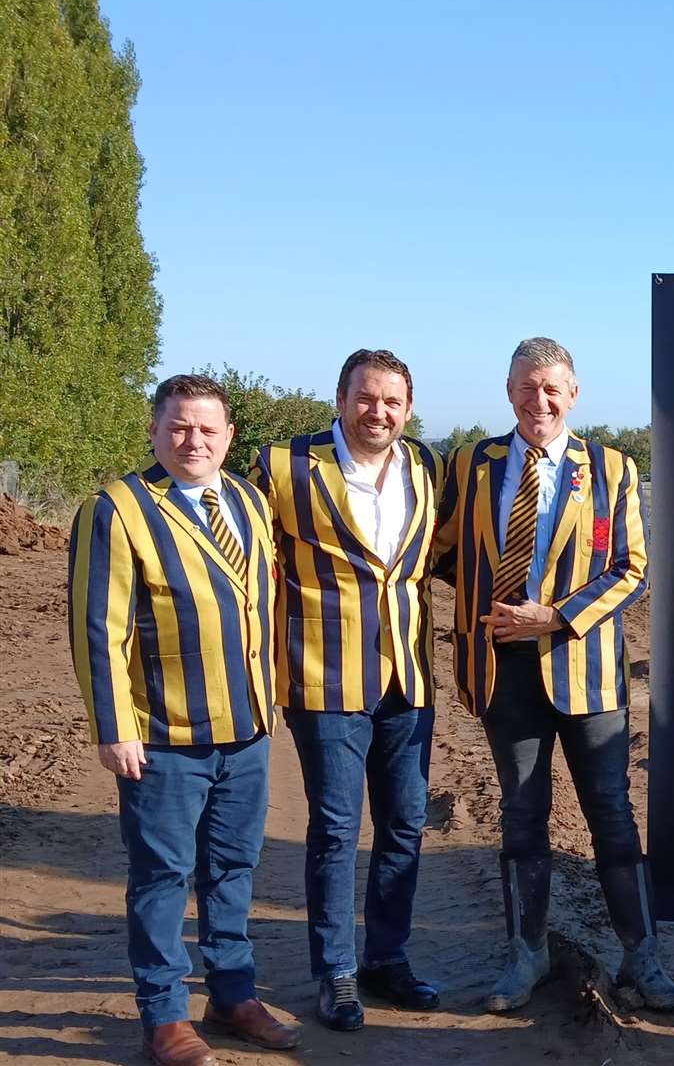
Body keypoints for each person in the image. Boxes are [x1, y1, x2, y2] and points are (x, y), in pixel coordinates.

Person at [432, 337, 674, 1013]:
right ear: (507, 390)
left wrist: (552, 616)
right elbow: (440, 551)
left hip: (587, 671)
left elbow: (631, 568)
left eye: (550, 387)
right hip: (501, 672)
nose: (537, 399)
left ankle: (643, 958)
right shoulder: (470, 464)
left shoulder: (610, 466)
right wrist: (492, 607)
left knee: (611, 816)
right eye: (524, 386)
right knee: (521, 817)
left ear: (573, 393)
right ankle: (527, 955)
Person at [69, 374, 301, 1066]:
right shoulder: (117, 509)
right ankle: (164, 1017)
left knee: (233, 868)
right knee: (163, 877)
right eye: (178, 427)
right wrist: (114, 727)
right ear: (154, 431)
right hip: (165, 735)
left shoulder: (251, 504)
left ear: (230, 437)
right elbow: (96, 628)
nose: (193, 440)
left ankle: (232, 996)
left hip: (247, 729)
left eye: (207, 428)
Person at [250, 350, 445, 1030]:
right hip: (323, 676)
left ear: (409, 408)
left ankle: (387, 959)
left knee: (405, 824)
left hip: (407, 677)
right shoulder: (284, 467)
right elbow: (245, 562)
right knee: (335, 829)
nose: (379, 412)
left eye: (392, 401)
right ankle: (335, 971)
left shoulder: (427, 466)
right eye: (367, 397)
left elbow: (438, 559)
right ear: (340, 398)